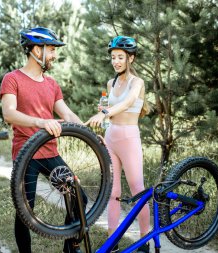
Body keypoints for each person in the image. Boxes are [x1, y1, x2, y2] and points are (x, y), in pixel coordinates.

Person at [0, 27, 84, 253]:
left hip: (50, 153)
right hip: (26, 154)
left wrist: (91, 135)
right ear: (37, 50)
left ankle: (70, 248)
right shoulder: (12, 78)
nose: (55, 55)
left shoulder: (51, 84)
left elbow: (67, 115)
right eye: (52, 50)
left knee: (80, 199)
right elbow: (9, 113)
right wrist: (41, 122)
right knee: (25, 212)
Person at [85, 35, 150, 253]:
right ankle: (111, 242)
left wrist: (104, 114)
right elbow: (108, 109)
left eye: (120, 57)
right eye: (113, 57)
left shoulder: (137, 82)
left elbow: (128, 103)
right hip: (111, 136)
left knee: (137, 189)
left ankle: (145, 240)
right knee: (112, 191)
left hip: (129, 138)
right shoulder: (110, 83)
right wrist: (103, 115)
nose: (116, 61)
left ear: (130, 58)